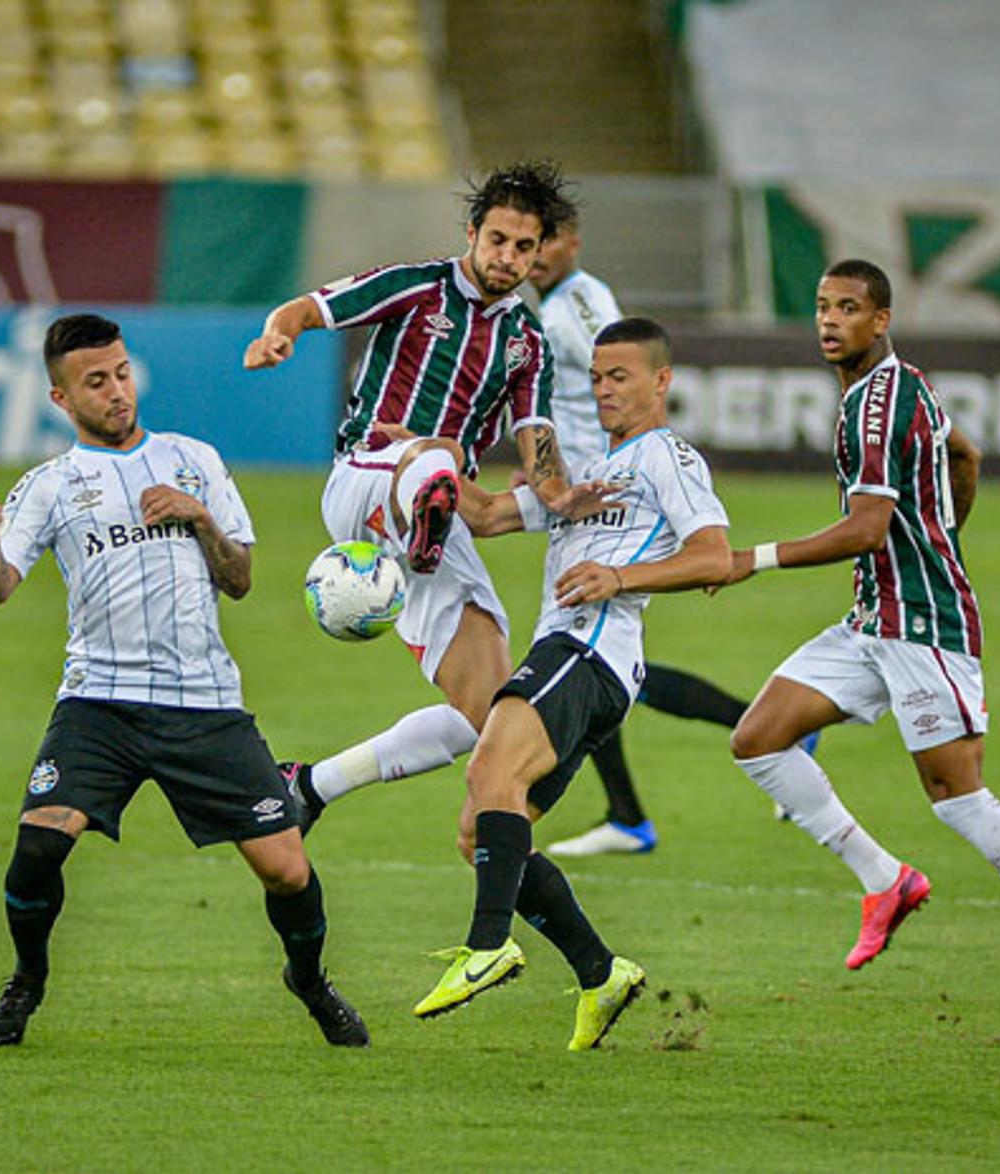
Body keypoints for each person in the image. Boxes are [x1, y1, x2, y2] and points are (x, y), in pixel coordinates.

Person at [719, 259, 1000, 1004]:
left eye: (847, 308)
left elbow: (868, 527)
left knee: (959, 798)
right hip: (872, 618)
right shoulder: (896, 387)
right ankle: (885, 880)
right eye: (822, 306)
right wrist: (942, 537)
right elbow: (966, 456)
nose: (829, 320)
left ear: (881, 320)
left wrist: (756, 559)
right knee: (757, 738)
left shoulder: (875, 403)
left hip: (922, 626)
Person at [0, 313, 366, 1049]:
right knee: (37, 849)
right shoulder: (50, 486)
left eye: (121, 372)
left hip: (204, 706)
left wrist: (199, 519)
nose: (117, 391)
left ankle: (308, 979)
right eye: (96, 382)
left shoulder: (194, 461)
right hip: (99, 703)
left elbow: (241, 579)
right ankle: (27, 978)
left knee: (286, 871)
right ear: (61, 399)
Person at [411, 318, 732, 1049]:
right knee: (483, 828)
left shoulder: (666, 458)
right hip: (576, 659)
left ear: (661, 381)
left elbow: (714, 555)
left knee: (492, 766)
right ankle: (599, 971)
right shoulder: (591, 471)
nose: (604, 389)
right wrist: (417, 459)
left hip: (590, 650)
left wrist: (621, 576)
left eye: (620, 376)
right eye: (595, 377)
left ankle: (487, 943)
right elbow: (489, 514)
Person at [242, 161, 580, 828]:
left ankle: (310, 787)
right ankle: (431, 495)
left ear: (539, 253)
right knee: (436, 453)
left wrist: (563, 494)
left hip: (439, 510)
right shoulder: (419, 285)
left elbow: (537, 438)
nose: (507, 257)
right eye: (497, 241)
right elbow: (311, 307)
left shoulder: (526, 341)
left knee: (490, 714)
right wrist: (279, 333)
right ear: (472, 232)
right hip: (366, 478)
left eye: (523, 247)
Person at [527, 213, 817, 858]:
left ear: (574, 239)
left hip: (589, 489)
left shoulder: (576, 305)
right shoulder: (559, 303)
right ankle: (629, 813)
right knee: (598, 659)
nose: (533, 253)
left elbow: (595, 385)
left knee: (595, 659)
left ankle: (764, 730)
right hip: (578, 488)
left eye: (543, 239)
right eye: (524, 242)